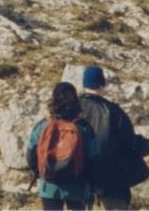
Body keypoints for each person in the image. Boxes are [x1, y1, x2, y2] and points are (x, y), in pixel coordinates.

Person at [79, 65, 149, 209]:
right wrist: (147, 146)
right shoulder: (113, 110)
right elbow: (128, 142)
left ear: (84, 83)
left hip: (79, 175)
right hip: (110, 178)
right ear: (103, 84)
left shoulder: (74, 107)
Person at [27, 81, 97, 210]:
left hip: (48, 186)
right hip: (77, 186)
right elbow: (93, 158)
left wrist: (40, 172)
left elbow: (31, 155)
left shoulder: (43, 126)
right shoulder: (83, 128)